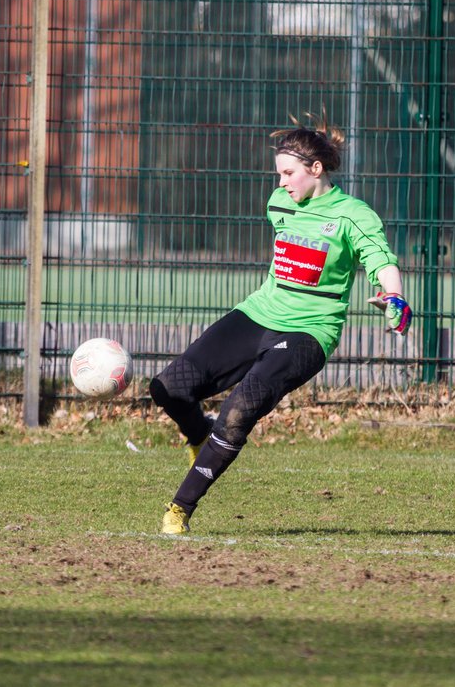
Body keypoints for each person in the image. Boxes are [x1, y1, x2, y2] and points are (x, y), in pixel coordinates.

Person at [149, 113, 410, 535]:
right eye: (279, 173)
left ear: (316, 169)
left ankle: (178, 510)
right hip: (259, 313)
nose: (282, 182)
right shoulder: (279, 204)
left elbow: (381, 260)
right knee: (168, 387)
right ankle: (201, 439)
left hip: (309, 332)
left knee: (238, 411)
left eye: (289, 173)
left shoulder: (352, 214)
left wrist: (394, 296)